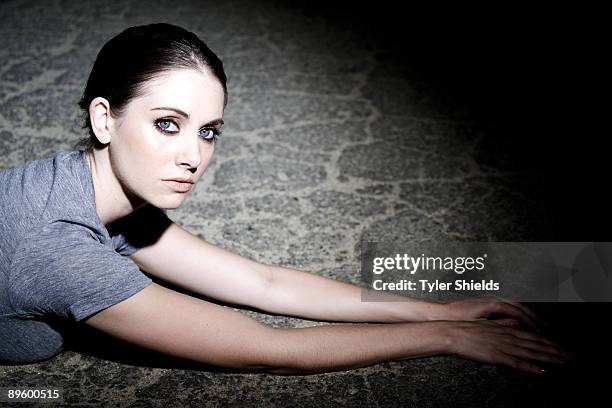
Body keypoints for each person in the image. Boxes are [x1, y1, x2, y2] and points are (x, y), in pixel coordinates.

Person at [0, 23, 572, 374]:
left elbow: (263, 284)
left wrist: (436, 306)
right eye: (168, 124)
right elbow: (270, 347)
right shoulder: (60, 246)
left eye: (208, 131)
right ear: (105, 119)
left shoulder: (95, 190)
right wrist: (447, 337)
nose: (194, 155)